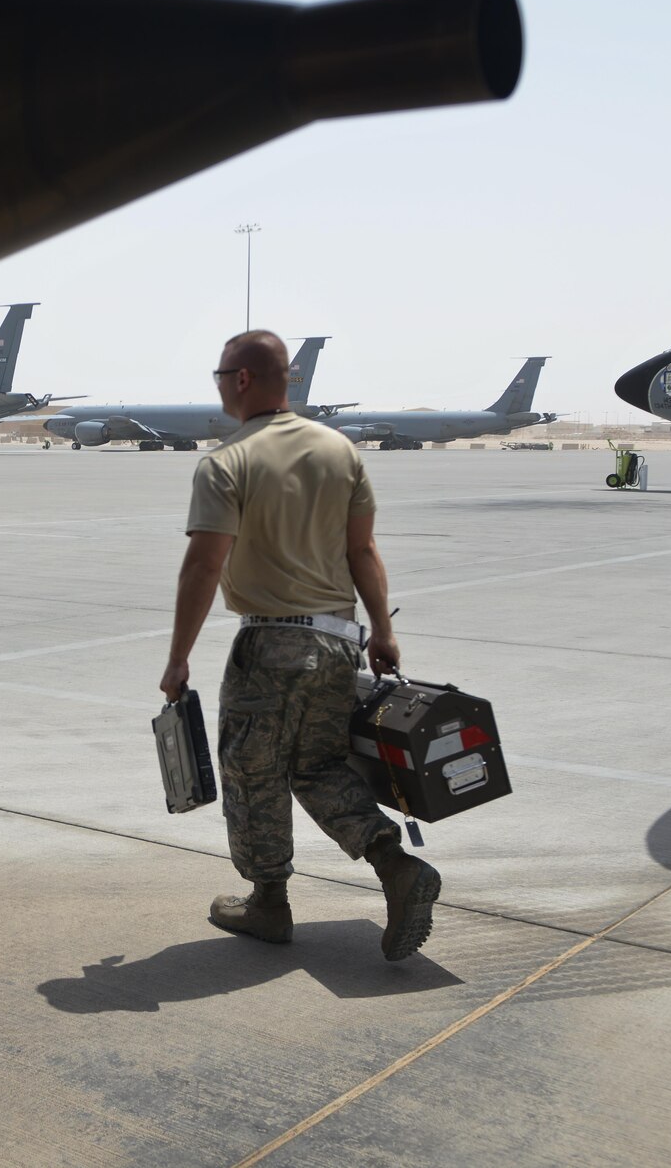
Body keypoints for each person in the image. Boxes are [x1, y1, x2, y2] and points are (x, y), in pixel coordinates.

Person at [159, 330, 441, 961]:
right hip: (340, 641)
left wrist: (178, 657)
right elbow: (362, 549)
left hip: (271, 645)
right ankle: (396, 866)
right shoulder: (339, 450)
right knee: (316, 766)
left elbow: (204, 565)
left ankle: (269, 902)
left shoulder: (226, 461)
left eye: (218, 375)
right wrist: (384, 632)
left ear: (239, 380)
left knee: (251, 771)